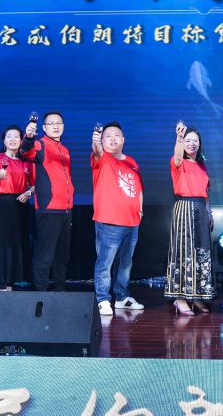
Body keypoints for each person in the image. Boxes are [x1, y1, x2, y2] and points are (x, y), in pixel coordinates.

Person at [91, 121, 144, 315]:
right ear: (103, 140)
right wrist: (95, 141)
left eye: (116, 135)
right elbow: (96, 150)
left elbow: (139, 188)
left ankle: (122, 297)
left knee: (125, 264)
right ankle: (103, 299)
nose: (112, 139)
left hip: (132, 222)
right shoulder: (102, 158)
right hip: (109, 222)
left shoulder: (131, 161)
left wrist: (140, 211)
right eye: (108, 136)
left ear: (123, 139)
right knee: (105, 262)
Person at [164, 123, 215, 316]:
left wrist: (209, 213)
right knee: (183, 251)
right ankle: (180, 298)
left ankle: (197, 295)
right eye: (188, 140)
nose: (192, 143)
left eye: (195, 140)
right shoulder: (178, 162)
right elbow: (178, 156)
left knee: (201, 252)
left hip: (201, 208)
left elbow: (206, 193)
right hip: (184, 207)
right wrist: (179, 138)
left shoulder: (201, 165)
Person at [21, 111, 74, 292]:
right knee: (45, 256)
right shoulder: (40, 144)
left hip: (66, 210)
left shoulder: (65, 150)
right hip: (49, 209)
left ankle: (60, 292)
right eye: (51, 123)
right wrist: (28, 137)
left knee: (62, 257)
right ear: (44, 127)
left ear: (63, 126)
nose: (55, 126)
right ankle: (41, 295)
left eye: (59, 123)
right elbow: (26, 152)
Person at [0, 126, 35, 291]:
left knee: (17, 243)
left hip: (20, 204)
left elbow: (34, 185)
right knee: (2, 243)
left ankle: (14, 282)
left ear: (21, 140)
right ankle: (2, 284)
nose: (12, 139)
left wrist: (28, 193)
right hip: (2, 205)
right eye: (9, 137)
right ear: (4, 141)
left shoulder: (27, 162)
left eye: (16, 136)